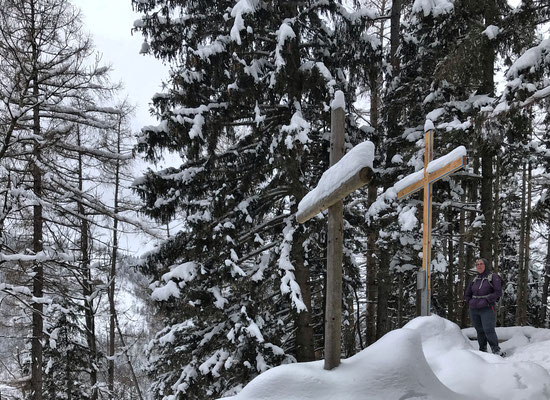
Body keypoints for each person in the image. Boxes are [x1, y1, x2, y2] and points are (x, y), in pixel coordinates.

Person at [464, 258, 505, 357]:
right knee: (479, 330)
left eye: (481, 264)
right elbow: (467, 293)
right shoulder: (475, 279)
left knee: (488, 329)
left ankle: (496, 350)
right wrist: (469, 301)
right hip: (474, 309)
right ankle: (482, 350)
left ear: (486, 265)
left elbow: (498, 292)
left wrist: (487, 300)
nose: (479, 266)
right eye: (477, 264)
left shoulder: (493, 277)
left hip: (487, 308)